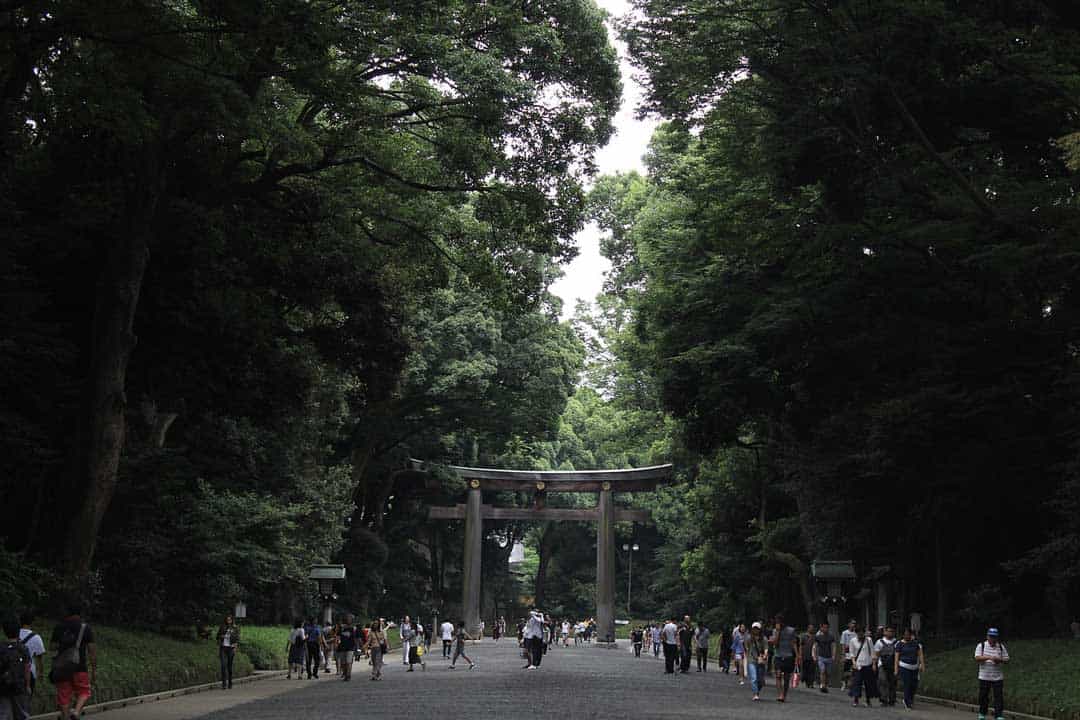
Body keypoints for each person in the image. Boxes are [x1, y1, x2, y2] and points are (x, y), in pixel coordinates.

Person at [50, 603, 96, 720]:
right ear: (80, 613)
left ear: (67, 612)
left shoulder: (59, 627)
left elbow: (52, 647)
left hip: (62, 668)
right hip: (80, 667)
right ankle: (76, 712)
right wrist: (94, 669)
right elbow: (91, 651)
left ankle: (65, 717)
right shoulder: (85, 628)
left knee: (64, 695)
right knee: (84, 692)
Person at [975, 628, 1009, 720]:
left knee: (998, 697)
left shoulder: (1001, 647)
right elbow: (977, 658)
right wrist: (989, 657)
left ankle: (998, 715)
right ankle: (982, 713)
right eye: (991, 637)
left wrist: (999, 660)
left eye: (994, 637)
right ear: (987, 636)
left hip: (997, 677)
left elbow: (1006, 659)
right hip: (984, 676)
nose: (992, 639)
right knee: (983, 696)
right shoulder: (981, 646)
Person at [1, 615, 32, 720]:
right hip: (19, 686)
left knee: (4, 714)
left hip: (3, 686)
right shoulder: (23, 648)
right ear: (18, 630)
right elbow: (27, 668)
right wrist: (28, 686)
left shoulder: (1, 648)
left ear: (4, 631)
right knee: (22, 713)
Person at [894, 627, 925, 709]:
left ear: (911, 635)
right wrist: (896, 669)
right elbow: (896, 657)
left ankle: (910, 699)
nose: (907, 636)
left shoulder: (915, 643)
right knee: (907, 684)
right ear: (903, 635)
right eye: (905, 634)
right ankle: (907, 701)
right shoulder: (899, 644)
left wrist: (922, 664)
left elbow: (920, 654)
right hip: (904, 666)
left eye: (908, 634)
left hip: (914, 667)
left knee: (914, 685)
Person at [770, 615, 798, 702]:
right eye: (776, 622)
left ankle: (784, 694)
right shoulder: (775, 631)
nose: (777, 623)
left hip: (788, 656)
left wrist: (797, 655)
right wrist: (778, 631)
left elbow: (794, 643)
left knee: (786, 678)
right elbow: (775, 644)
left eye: (779, 622)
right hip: (778, 655)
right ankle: (780, 694)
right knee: (778, 675)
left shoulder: (791, 630)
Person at [16, 614, 44, 699]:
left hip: (14, 670)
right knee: (27, 698)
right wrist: (41, 673)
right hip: (30, 672)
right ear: (32, 622)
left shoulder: (14, 634)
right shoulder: (36, 637)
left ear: (20, 621)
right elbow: (40, 659)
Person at [848, 625, 876, 707]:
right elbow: (852, 653)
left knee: (868, 683)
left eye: (862, 633)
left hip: (867, 664)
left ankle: (868, 700)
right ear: (856, 633)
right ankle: (856, 699)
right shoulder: (853, 641)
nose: (860, 635)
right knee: (857, 682)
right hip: (858, 665)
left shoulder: (869, 640)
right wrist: (853, 663)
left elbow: (873, 652)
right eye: (858, 633)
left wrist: (874, 664)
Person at [874, 626, 898, 706]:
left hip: (893, 665)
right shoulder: (879, 642)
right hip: (882, 664)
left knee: (892, 683)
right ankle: (883, 699)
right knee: (882, 681)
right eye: (888, 631)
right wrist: (874, 664)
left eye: (891, 631)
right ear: (884, 632)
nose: (890, 633)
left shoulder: (897, 642)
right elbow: (876, 654)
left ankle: (892, 699)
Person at [216, 614, 240, 690]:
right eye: (227, 619)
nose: (229, 621)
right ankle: (224, 684)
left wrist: (235, 647)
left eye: (230, 619)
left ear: (232, 620)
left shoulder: (235, 628)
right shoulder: (222, 627)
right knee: (223, 665)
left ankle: (230, 682)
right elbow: (217, 636)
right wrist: (221, 636)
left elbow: (237, 638)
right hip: (223, 648)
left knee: (229, 666)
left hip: (231, 648)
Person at [747, 622, 768, 701]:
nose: (756, 630)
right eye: (754, 628)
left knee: (760, 680)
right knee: (754, 678)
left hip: (761, 660)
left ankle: (757, 691)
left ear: (760, 630)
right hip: (752, 659)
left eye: (757, 629)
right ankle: (755, 694)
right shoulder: (749, 638)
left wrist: (765, 655)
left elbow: (766, 648)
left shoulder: (764, 638)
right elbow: (747, 648)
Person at [812, 621, 835, 693]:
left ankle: (826, 684)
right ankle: (822, 685)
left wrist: (833, 655)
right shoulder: (818, 636)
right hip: (821, 656)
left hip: (829, 657)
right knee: (822, 671)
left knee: (828, 672)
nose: (825, 629)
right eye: (824, 627)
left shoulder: (831, 636)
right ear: (821, 628)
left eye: (827, 627)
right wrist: (814, 655)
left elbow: (833, 646)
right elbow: (815, 646)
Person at [336, 617, 358, 681]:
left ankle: (348, 675)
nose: (348, 621)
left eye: (350, 620)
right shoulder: (341, 628)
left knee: (348, 662)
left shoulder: (353, 628)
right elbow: (338, 637)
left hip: (350, 647)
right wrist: (337, 644)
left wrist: (356, 647)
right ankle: (345, 673)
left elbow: (355, 638)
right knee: (343, 663)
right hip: (342, 647)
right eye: (347, 619)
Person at [840, 619, 857, 691]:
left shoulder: (856, 633)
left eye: (854, 624)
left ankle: (851, 684)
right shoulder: (845, 633)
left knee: (853, 670)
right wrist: (843, 655)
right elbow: (843, 644)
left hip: (854, 654)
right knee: (845, 670)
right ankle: (844, 682)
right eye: (852, 623)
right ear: (849, 624)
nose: (853, 625)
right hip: (847, 653)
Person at [800, 623, 816, 688]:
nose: (811, 629)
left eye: (812, 628)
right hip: (805, 655)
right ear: (808, 628)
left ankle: (811, 683)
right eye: (810, 628)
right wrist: (800, 654)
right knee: (805, 669)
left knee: (812, 670)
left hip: (812, 656)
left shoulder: (815, 637)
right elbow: (800, 645)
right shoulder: (803, 636)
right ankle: (806, 681)